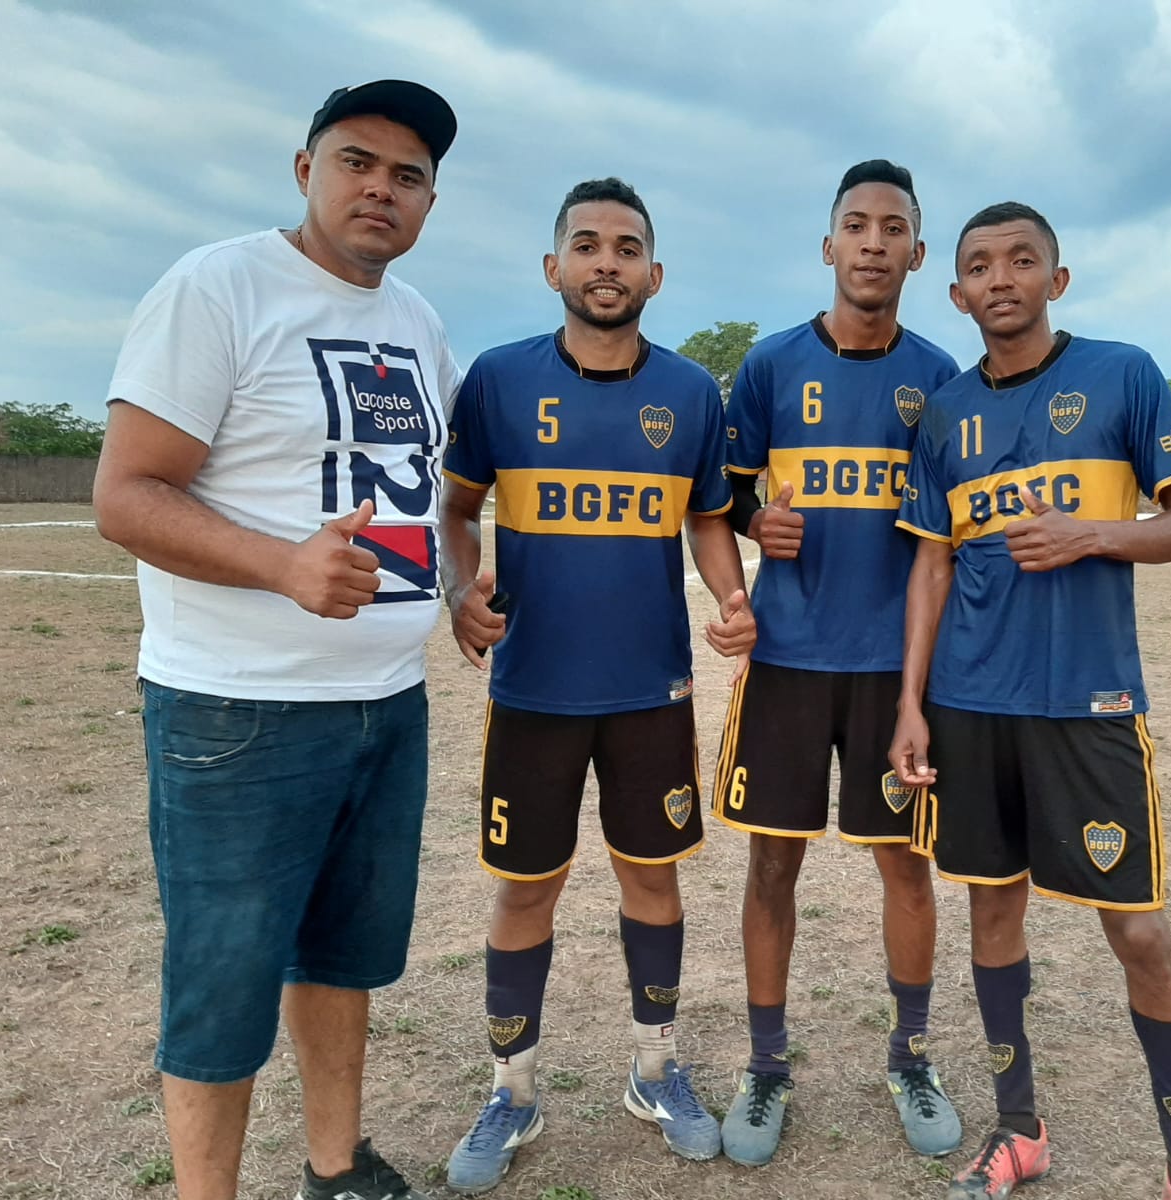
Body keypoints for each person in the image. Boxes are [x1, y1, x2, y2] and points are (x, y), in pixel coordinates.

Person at [92, 81, 461, 1200]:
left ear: (430, 199)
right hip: (238, 710)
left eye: (407, 177)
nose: (380, 190)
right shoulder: (218, 287)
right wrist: (282, 565)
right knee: (222, 982)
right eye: (358, 162)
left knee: (341, 957)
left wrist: (463, 590)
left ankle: (335, 1167)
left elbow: (426, 497)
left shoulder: (418, 322)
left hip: (386, 703)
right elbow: (126, 495)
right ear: (305, 170)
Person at [888, 202, 1171, 1200]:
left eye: (1021, 261)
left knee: (1138, 930)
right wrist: (910, 705)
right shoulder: (945, 413)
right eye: (981, 267)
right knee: (994, 913)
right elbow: (929, 570)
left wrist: (1092, 534)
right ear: (956, 294)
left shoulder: (1121, 373)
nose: (1001, 279)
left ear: (1055, 279)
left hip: (1088, 703)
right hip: (968, 706)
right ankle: (1017, 1132)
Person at [438, 177, 754, 1193]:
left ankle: (655, 1070)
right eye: (586, 245)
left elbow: (707, 517)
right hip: (533, 690)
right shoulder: (495, 381)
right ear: (553, 268)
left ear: (654, 274)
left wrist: (731, 594)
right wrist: (458, 593)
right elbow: (455, 512)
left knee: (652, 882)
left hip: (648, 692)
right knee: (526, 887)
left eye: (626, 248)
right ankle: (512, 1089)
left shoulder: (692, 394)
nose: (606, 262)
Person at [711, 160, 963, 1166]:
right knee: (772, 862)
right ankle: (766, 1066)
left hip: (891, 671)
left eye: (889, 227)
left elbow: (944, 545)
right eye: (852, 225)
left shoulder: (941, 380)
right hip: (786, 663)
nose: (869, 242)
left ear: (914, 252)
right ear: (827, 246)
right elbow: (719, 503)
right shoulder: (770, 367)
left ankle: (909, 1056)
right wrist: (751, 519)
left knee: (904, 864)